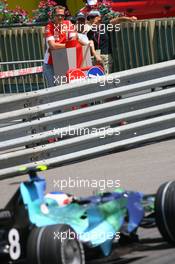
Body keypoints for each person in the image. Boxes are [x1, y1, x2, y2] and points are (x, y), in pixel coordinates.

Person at [87, 10, 137, 74]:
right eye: (90, 18)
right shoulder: (90, 33)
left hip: (106, 57)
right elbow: (91, 46)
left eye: (93, 17)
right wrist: (96, 56)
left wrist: (129, 19)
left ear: (99, 17)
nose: (91, 19)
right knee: (98, 77)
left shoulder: (105, 25)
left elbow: (118, 20)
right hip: (96, 57)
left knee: (106, 76)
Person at [43, 5, 73, 87]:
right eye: (58, 15)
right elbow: (53, 46)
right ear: (53, 16)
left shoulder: (68, 24)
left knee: (65, 87)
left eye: (62, 15)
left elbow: (73, 39)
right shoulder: (48, 27)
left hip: (64, 61)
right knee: (53, 90)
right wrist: (68, 45)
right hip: (50, 64)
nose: (60, 17)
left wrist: (70, 44)